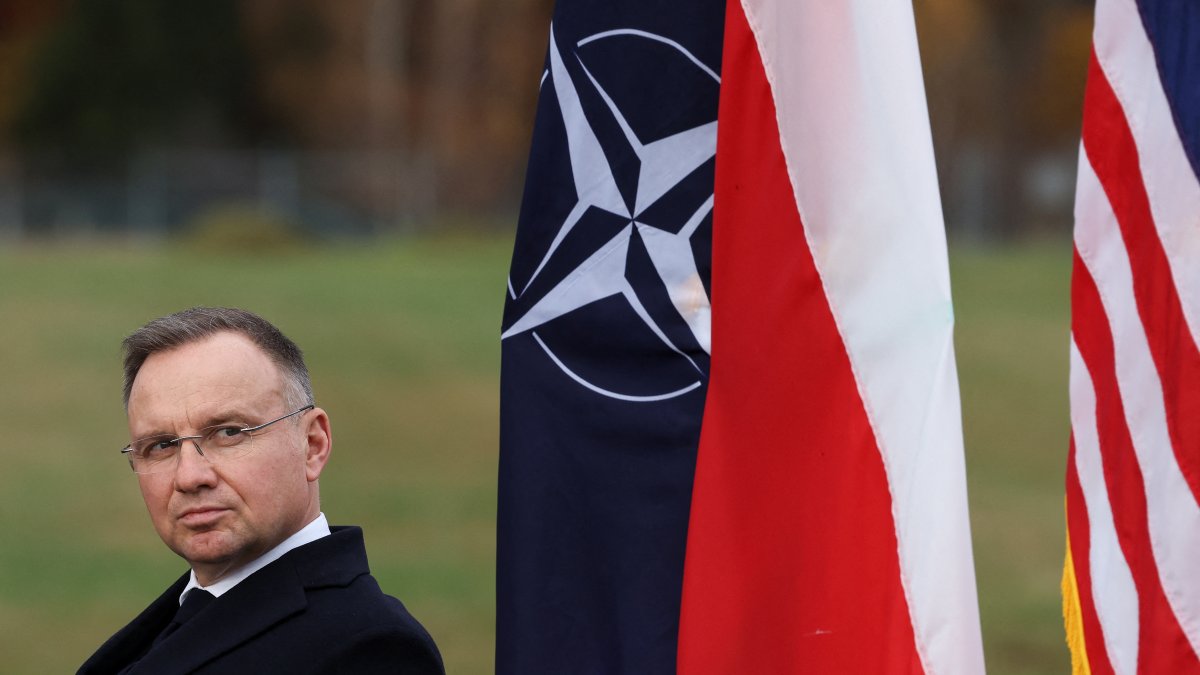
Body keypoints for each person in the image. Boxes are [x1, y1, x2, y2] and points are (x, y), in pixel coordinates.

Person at [79, 307, 444, 674]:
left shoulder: (371, 649)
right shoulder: (176, 619)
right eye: (161, 445)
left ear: (312, 445)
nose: (189, 477)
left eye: (229, 433)